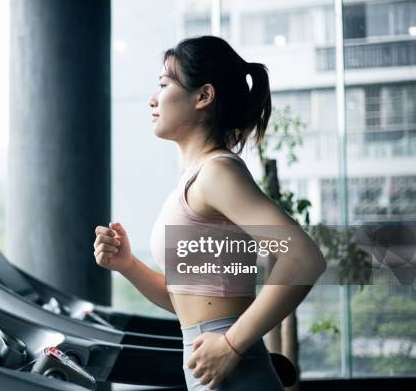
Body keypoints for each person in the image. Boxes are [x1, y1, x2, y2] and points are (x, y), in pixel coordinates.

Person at [93, 36, 327, 390]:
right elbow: (191, 304)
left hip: (235, 369)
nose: (152, 99)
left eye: (164, 84)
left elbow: (304, 258)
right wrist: (128, 266)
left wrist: (231, 344)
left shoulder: (218, 173)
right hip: (212, 367)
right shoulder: (196, 178)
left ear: (203, 96)